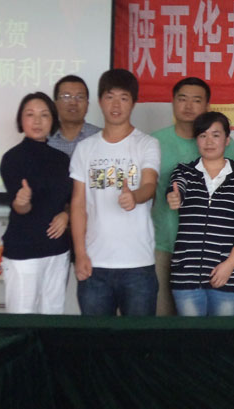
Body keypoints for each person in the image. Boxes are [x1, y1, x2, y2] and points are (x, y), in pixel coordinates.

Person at [70, 68, 161, 316]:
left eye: (123, 97)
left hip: (138, 265)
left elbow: (149, 186)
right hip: (94, 265)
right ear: (100, 101)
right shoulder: (85, 148)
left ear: (133, 103)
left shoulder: (147, 144)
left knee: (138, 338)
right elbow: (78, 205)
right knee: (96, 338)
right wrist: (80, 254)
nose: (116, 105)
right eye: (110, 97)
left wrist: (135, 197)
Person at [151, 77, 234, 316]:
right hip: (164, 245)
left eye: (196, 100)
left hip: (210, 249)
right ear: (172, 102)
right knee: (163, 320)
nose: (189, 106)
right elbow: (148, 189)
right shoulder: (154, 142)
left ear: (207, 105)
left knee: (207, 327)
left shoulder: (224, 145)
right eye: (182, 99)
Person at [166, 112, 234, 316]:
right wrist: (174, 196)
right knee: (191, 334)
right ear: (196, 139)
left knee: (223, 335)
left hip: (227, 276)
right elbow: (177, 188)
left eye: (216, 135)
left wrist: (230, 265)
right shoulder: (184, 171)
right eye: (203, 135)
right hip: (186, 276)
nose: (209, 141)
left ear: (227, 139)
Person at [0, 92, 72, 313]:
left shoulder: (62, 159)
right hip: (24, 252)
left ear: (53, 120)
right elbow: (20, 208)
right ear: (21, 120)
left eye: (44, 115)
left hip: (58, 250)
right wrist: (22, 201)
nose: (37, 121)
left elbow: (69, 199)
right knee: (21, 320)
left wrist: (66, 215)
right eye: (30, 114)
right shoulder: (12, 158)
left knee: (53, 318)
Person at [47, 75, 101, 158]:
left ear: (87, 104)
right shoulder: (46, 139)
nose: (73, 102)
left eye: (80, 97)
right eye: (66, 97)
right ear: (55, 104)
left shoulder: (101, 136)